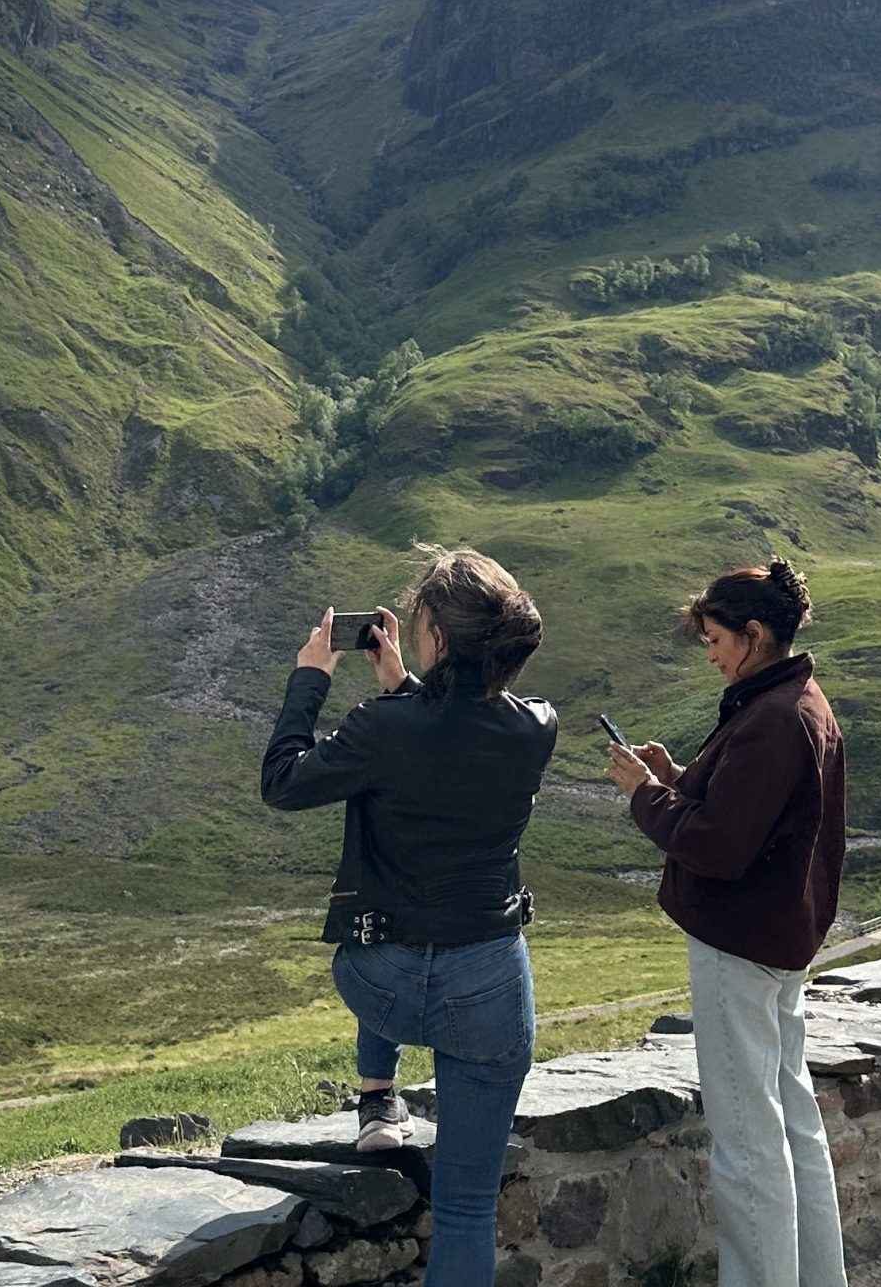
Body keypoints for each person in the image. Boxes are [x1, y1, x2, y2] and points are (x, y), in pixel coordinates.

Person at [261, 544, 556, 1287]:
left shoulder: (382, 729)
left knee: (385, 910)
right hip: (489, 986)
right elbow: (454, 733)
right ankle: (379, 1104)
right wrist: (407, 685)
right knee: (464, 1210)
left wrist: (311, 678)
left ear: (438, 640)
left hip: (381, 981)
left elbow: (284, 782)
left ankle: (376, 1096)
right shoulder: (536, 727)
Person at [607, 558, 848, 1287]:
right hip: (781, 938)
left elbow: (717, 846)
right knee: (793, 1122)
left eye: (714, 639)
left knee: (746, 1137)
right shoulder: (797, 702)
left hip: (738, 943)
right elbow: (749, 813)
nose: (708, 653)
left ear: (753, 634)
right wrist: (681, 779)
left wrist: (646, 797)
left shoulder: (771, 719)